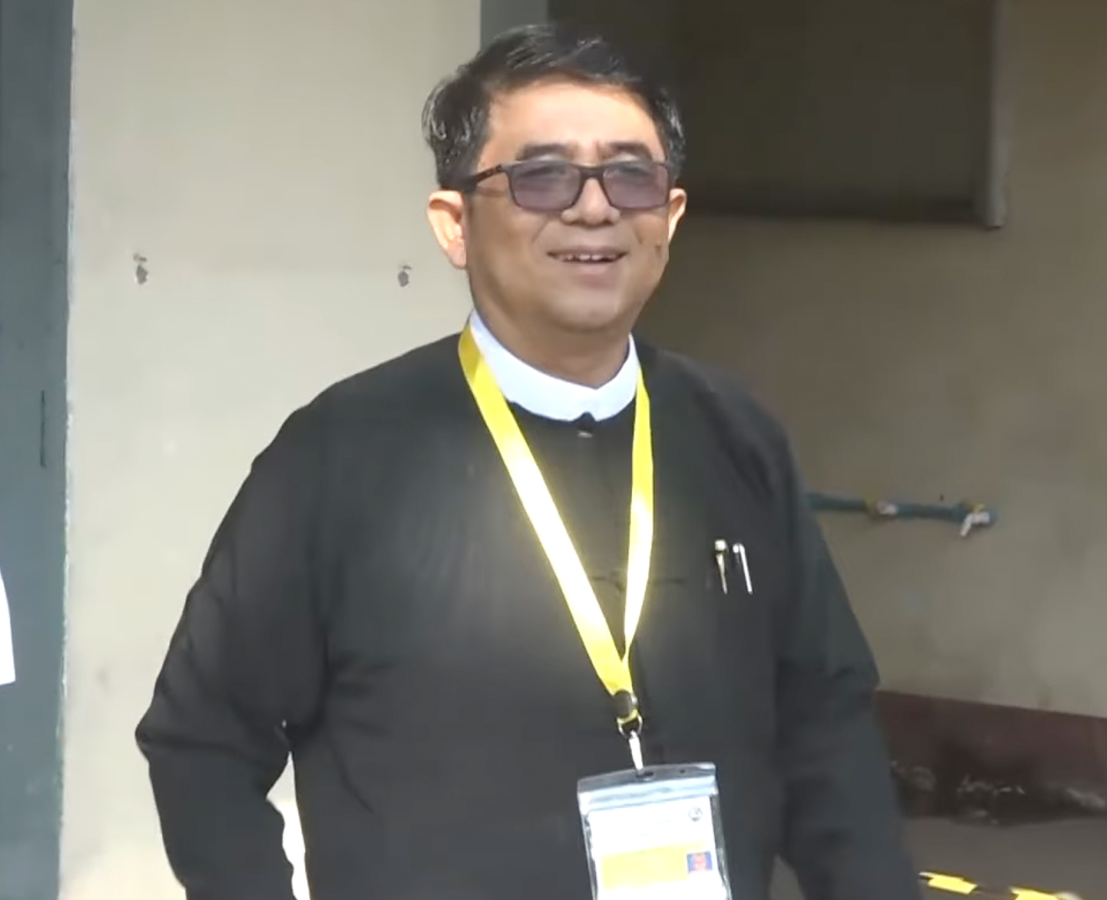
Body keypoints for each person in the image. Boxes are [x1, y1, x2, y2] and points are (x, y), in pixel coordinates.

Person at [137, 23, 918, 900]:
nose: (594, 209)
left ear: (670, 215)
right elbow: (202, 739)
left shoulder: (736, 437)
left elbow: (826, 730)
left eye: (629, 175)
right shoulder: (340, 454)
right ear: (454, 224)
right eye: (543, 176)